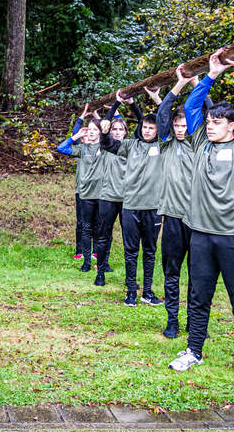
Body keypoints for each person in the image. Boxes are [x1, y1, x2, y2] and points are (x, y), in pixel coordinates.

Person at [167, 48, 234, 382]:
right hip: (202, 235)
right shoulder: (200, 144)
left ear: (233, 127)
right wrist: (210, 76)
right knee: (198, 297)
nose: (209, 126)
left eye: (217, 122)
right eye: (209, 122)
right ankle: (194, 350)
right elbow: (192, 107)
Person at [154, 66, 211, 338]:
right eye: (177, 126)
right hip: (173, 219)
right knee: (172, 274)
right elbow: (162, 113)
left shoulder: (201, 143)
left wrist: (200, 82)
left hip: (198, 219)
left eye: (184, 125)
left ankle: (195, 323)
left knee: (198, 276)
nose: (179, 129)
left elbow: (211, 113)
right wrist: (179, 84)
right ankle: (172, 321)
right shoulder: (166, 143)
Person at [100, 93, 163, 307]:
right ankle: (131, 292)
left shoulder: (164, 146)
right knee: (131, 251)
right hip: (131, 207)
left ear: (157, 130)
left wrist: (136, 104)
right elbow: (107, 143)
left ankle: (147, 291)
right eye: (144, 126)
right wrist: (116, 103)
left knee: (150, 251)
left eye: (151, 127)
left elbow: (166, 120)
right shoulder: (130, 145)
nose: (146, 130)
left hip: (153, 208)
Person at [57, 114, 107, 272]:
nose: (91, 132)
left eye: (94, 129)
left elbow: (114, 135)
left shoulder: (106, 148)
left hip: (101, 194)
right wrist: (76, 136)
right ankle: (86, 262)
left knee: (100, 228)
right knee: (85, 228)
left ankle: (100, 260)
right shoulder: (82, 148)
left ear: (100, 132)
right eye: (89, 129)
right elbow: (61, 148)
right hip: (85, 194)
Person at [94, 114, 126, 286]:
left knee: (129, 238)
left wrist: (132, 104)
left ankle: (130, 277)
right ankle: (100, 272)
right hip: (108, 197)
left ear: (126, 132)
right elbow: (104, 123)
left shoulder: (131, 147)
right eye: (115, 129)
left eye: (121, 129)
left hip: (127, 199)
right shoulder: (106, 145)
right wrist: (116, 103)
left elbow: (145, 124)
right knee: (103, 234)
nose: (118, 132)